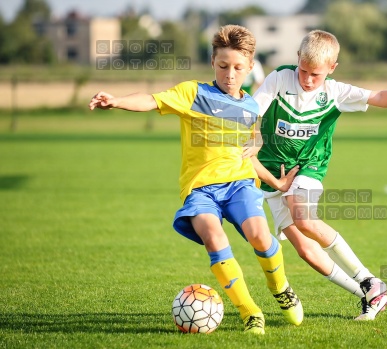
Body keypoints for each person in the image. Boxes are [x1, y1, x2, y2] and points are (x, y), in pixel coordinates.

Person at [87, 25, 303, 335]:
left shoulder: (252, 108)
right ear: (213, 62)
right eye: (223, 65)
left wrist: (278, 183)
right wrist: (118, 100)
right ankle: (250, 312)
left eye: (238, 67)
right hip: (200, 190)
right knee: (214, 238)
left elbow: (249, 154)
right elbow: (151, 99)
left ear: (250, 67)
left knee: (259, 235)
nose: (230, 73)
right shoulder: (194, 93)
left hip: (240, 184)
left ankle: (280, 287)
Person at [249, 30, 387, 321]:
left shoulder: (334, 92)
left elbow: (379, 96)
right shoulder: (279, 78)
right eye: (303, 71)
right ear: (297, 60)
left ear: (332, 69)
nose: (307, 79)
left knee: (303, 217)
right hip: (271, 170)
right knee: (306, 251)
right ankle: (369, 294)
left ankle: (369, 280)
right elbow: (253, 110)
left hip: (309, 166)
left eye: (315, 75)